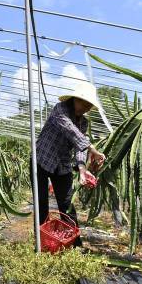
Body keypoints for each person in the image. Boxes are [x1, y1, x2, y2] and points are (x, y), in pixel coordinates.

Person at [33, 80, 105, 231]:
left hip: (62, 164)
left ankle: (73, 242)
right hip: (41, 159)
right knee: (41, 203)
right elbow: (71, 131)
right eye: (83, 105)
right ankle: (43, 240)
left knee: (67, 204)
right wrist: (93, 149)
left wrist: (82, 169)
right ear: (75, 100)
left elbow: (80, 147)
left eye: (88, 107)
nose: (85, 110)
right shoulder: (60, 109)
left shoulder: (84, 122)